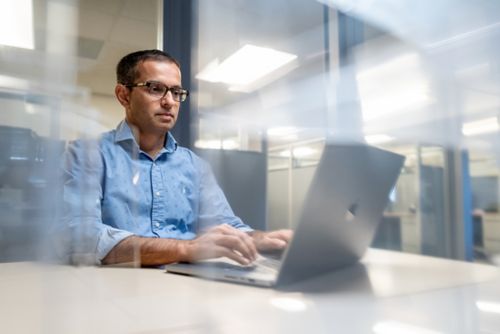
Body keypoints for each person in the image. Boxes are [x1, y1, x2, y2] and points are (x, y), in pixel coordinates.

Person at [60, 49, 291, 266]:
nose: (169, 101)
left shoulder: (194, 165)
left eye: (176, 92)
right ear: (124, 95)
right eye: (155, 88)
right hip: (116, 287)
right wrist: (185, 249)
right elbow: (79, 235)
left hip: (186, 287)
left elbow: (225, 225)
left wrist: (261, 239)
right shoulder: (87, 154)